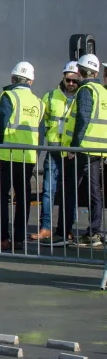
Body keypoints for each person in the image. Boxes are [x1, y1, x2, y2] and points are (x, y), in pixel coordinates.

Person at [0, 62, 43, 250]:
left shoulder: (9, 96)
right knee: (23, 199)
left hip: (5, 155)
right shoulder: (38, 102)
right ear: (31, 82)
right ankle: (19, 239)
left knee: (0, 197)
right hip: (27, 158)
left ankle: (1, 238)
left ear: (12, 79)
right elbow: (39, 133)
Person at [32, 62, 79, 243]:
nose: (71, 83)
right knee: (48, 192)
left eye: (74, 80)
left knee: (70, 193)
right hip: (53, 150)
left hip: (72, 152)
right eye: (68, 79)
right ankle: (45, 227)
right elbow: (41, 123)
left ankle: (67, 229)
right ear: (63, 77)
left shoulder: (82, 97)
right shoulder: (50, 96)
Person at [68, 53, 106, 247]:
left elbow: (83, 120)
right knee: (94, 190)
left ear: (80, 71)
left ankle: (94, 232)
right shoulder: (102, 91)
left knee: (85, 190)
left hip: (86, 148)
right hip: (99, 148)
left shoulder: (86, 91)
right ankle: (95, 230)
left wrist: (74, 146)